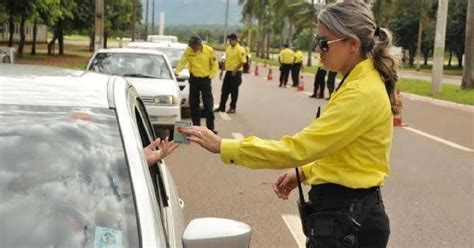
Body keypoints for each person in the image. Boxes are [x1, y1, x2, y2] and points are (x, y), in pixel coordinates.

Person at [178, 1, 401, 247]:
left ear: (353, 45)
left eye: (325, 42)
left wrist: (224, 146)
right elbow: (344, 154)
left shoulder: (361, 91)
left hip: (348, 219)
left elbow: (298, 148)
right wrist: (305, 172)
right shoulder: (357, 82)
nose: (318, 49)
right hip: (345, 214)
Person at [175, 35, 218, 134]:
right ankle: (196, 128)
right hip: (194, 79)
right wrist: (177, 71)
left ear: (199, 44)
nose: (192, 48)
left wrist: (211, 76)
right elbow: (182, 61)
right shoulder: (188, 51)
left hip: (205, 80)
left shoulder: (209, 50)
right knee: (194, 105)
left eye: (193, 46)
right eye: (191, 46)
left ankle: (210, 128)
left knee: (208, 105)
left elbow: (214, 64)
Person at [214, 33, 246, 114]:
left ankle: (232, 107)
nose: (229, 42)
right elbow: (226, 60)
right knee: (224, 90)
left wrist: (235, 69)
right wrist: (222, 70)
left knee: (234, 91)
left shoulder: (240, 49)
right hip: (228, 72)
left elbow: (243, 61)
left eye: (230, 40)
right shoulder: (228, 49)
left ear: (235, 40)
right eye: (229, 40)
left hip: (236, 73)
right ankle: (221, 107)